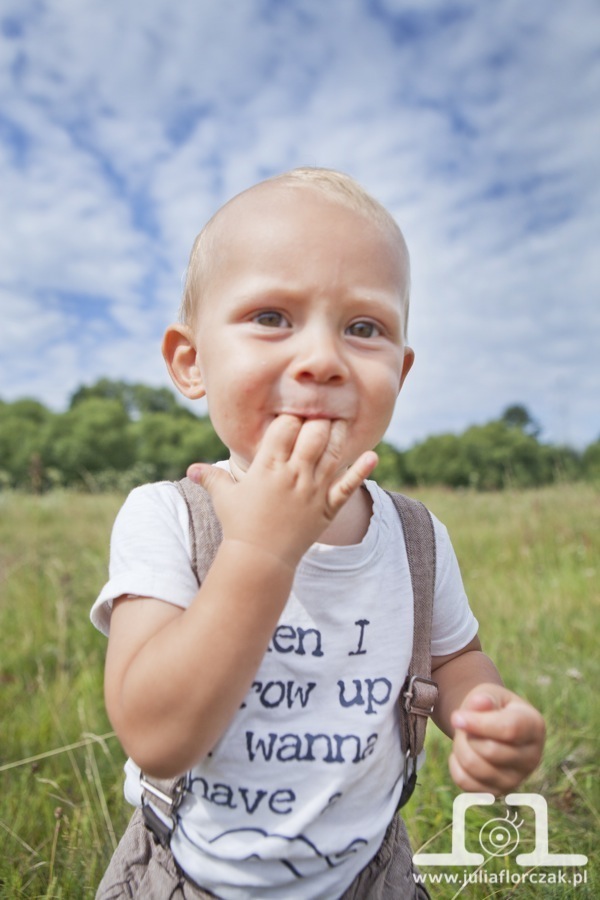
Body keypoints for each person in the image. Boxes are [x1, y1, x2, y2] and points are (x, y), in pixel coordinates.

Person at [92, 167, 545, 899]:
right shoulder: (168, 517)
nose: (323, 360)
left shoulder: (415, 537)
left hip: (372, 874)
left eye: (364, 329)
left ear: (401, 370)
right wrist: (261, 549)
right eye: (271, 316)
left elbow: (457, 658)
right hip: (192, 878)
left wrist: (485, 711)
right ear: (191, 361)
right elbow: (157, 735)